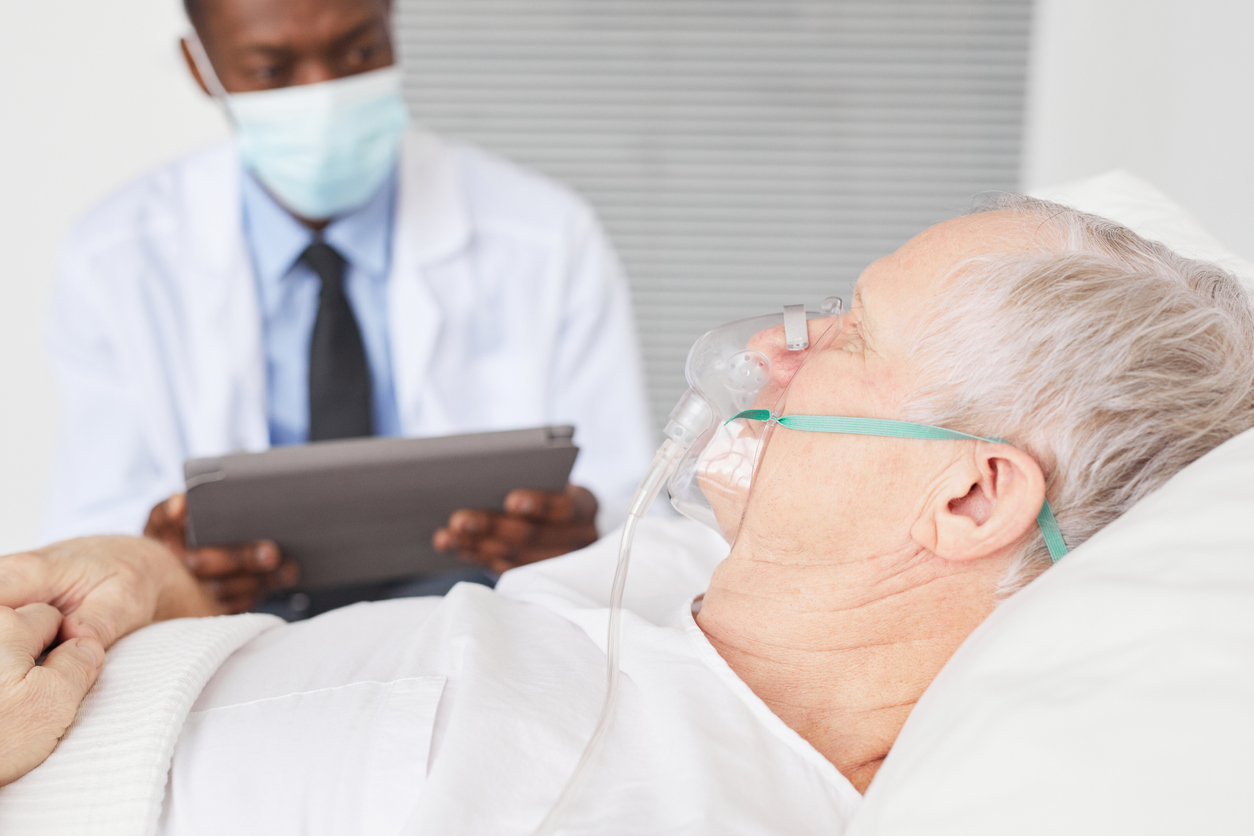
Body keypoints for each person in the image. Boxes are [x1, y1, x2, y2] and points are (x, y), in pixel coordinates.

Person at [5, 198, 1253, 831]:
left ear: (970, 493)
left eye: (847, 332)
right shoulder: (678, 579)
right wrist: (135, 587)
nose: (770, 345)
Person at [40, 0, 654, 614]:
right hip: (236, 626)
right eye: (271, 70)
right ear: (202, 69)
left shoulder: (546, 233)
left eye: (360, 52)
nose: (325, 94)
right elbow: (95, 516)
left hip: (472, 612)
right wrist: (166, 558)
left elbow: (625, 495)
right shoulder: (116, 255)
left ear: (393, 25)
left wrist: (576, 535)